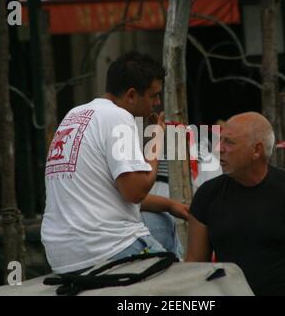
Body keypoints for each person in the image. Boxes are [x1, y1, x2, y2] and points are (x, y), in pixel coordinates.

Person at [41, 51, 189, 275]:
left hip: (61, 252)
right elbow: (135, 192)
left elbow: (113, 194)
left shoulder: (74, 114)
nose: (157, 103)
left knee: (161, 218)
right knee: (183, 281)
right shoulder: (118, 117)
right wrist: (157, 138)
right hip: (103, 248)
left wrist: (170, 205)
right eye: (153, 96)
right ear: (131, 95)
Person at [186, 112, 285, 296]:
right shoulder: (207, 195)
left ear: (257, 150)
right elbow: (195, 265)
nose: (219, 148)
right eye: (220, 140)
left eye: (229, 142)